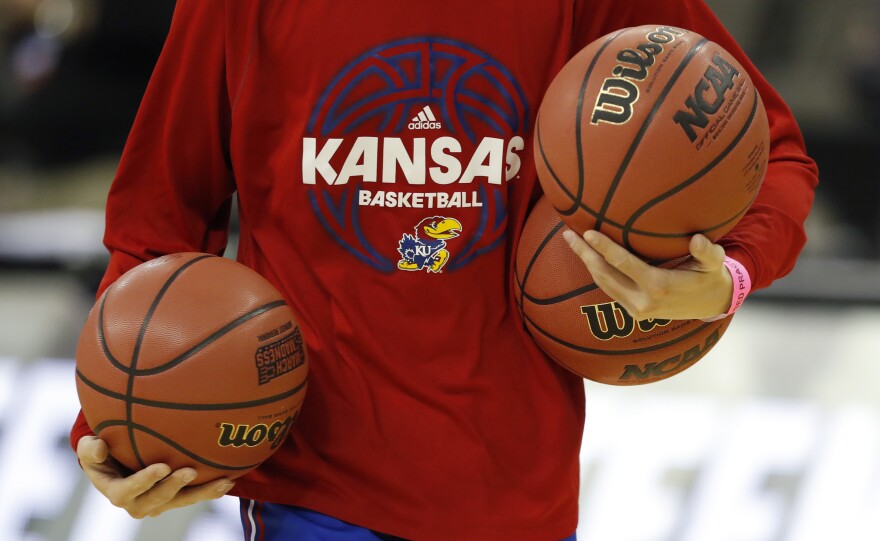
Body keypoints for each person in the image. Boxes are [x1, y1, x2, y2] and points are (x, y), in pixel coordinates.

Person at [70, 1, 818, 540]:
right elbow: (157, 219)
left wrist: (730, 277)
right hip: (318, 488)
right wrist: (112, 431)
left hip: (517, 490)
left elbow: (775, 153)